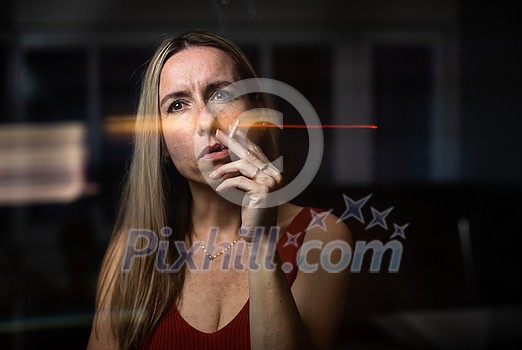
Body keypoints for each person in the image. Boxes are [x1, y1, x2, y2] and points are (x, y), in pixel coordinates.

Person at [87, 30, 351, 350]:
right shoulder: (132, 248)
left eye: (221, 95)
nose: (205, 122)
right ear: (162, 144)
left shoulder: (321, 236)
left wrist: (261, 242)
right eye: (178, 105)